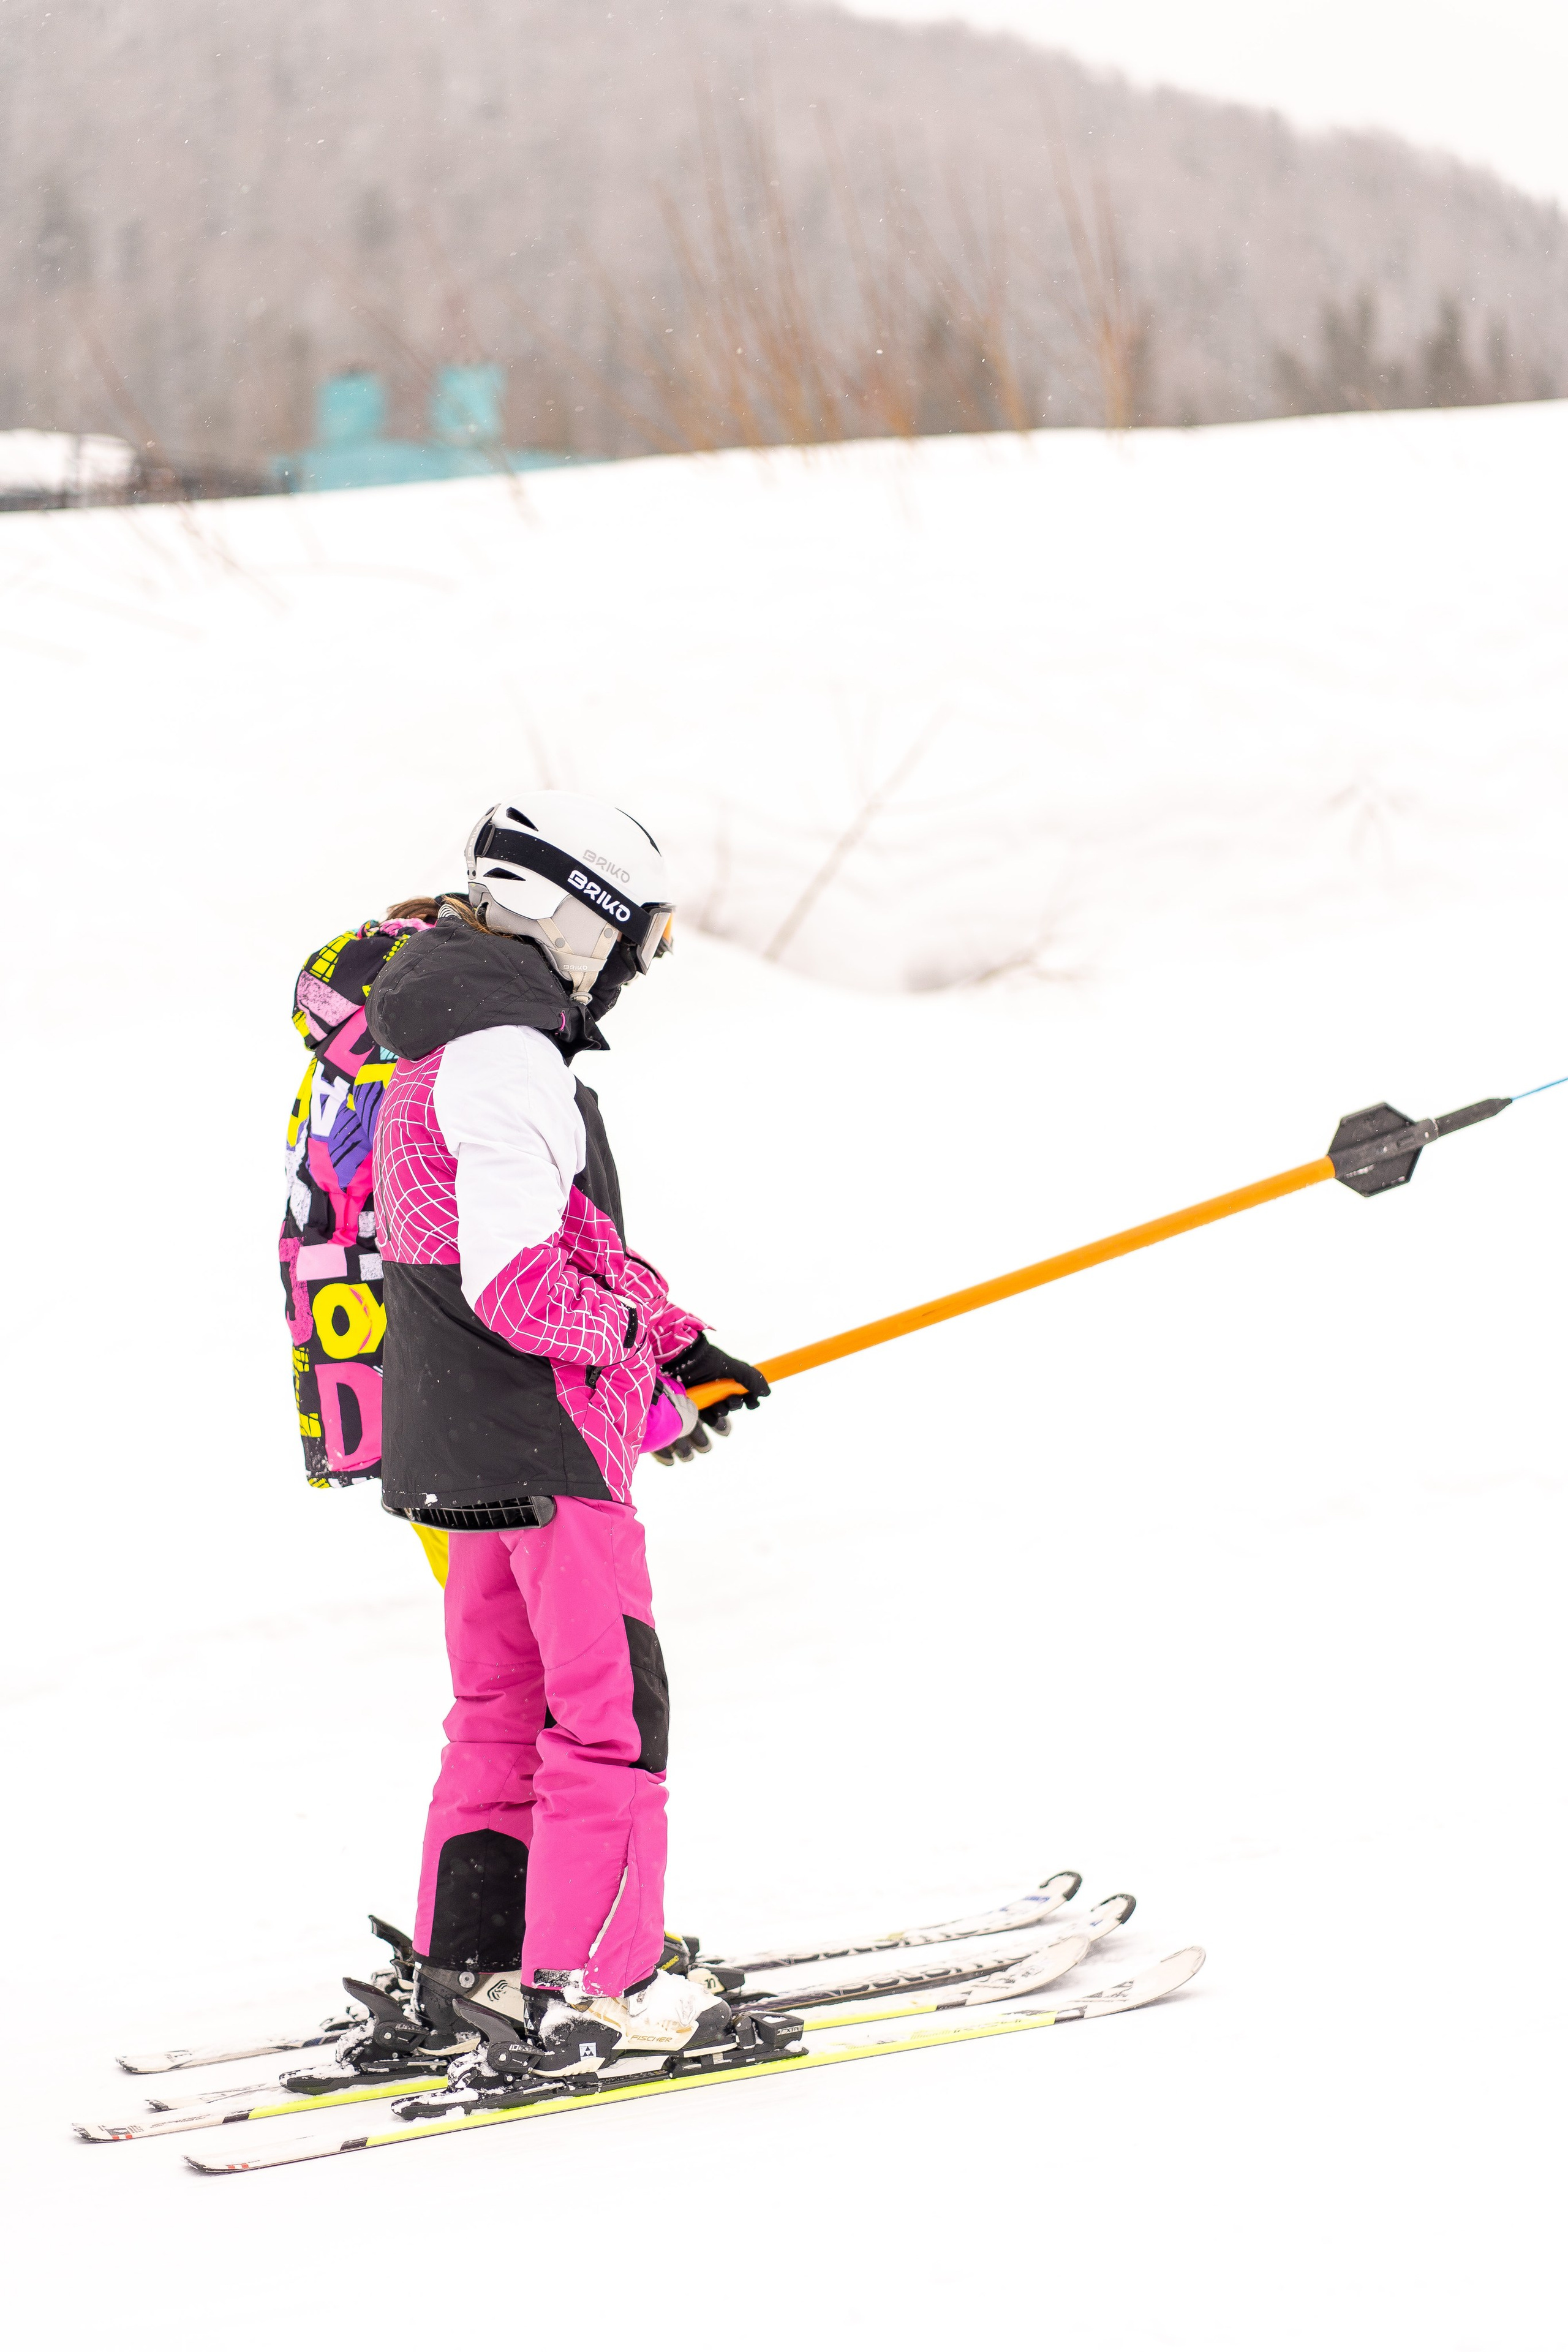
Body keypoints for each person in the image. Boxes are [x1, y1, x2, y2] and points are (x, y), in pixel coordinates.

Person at [308, 795, 770, 2106]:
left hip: (453, 1445)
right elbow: (524, 1285)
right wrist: (630, 1342)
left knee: (502, 1714)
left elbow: (544, 1239)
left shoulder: (431, 1049)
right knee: (609, 1723)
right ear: (577, 919)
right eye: (641, 934)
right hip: (545, 1445)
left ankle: (482, 1966)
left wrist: (675, 1349)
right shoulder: (510, 1057)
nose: (636, 961)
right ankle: (601, 1993)